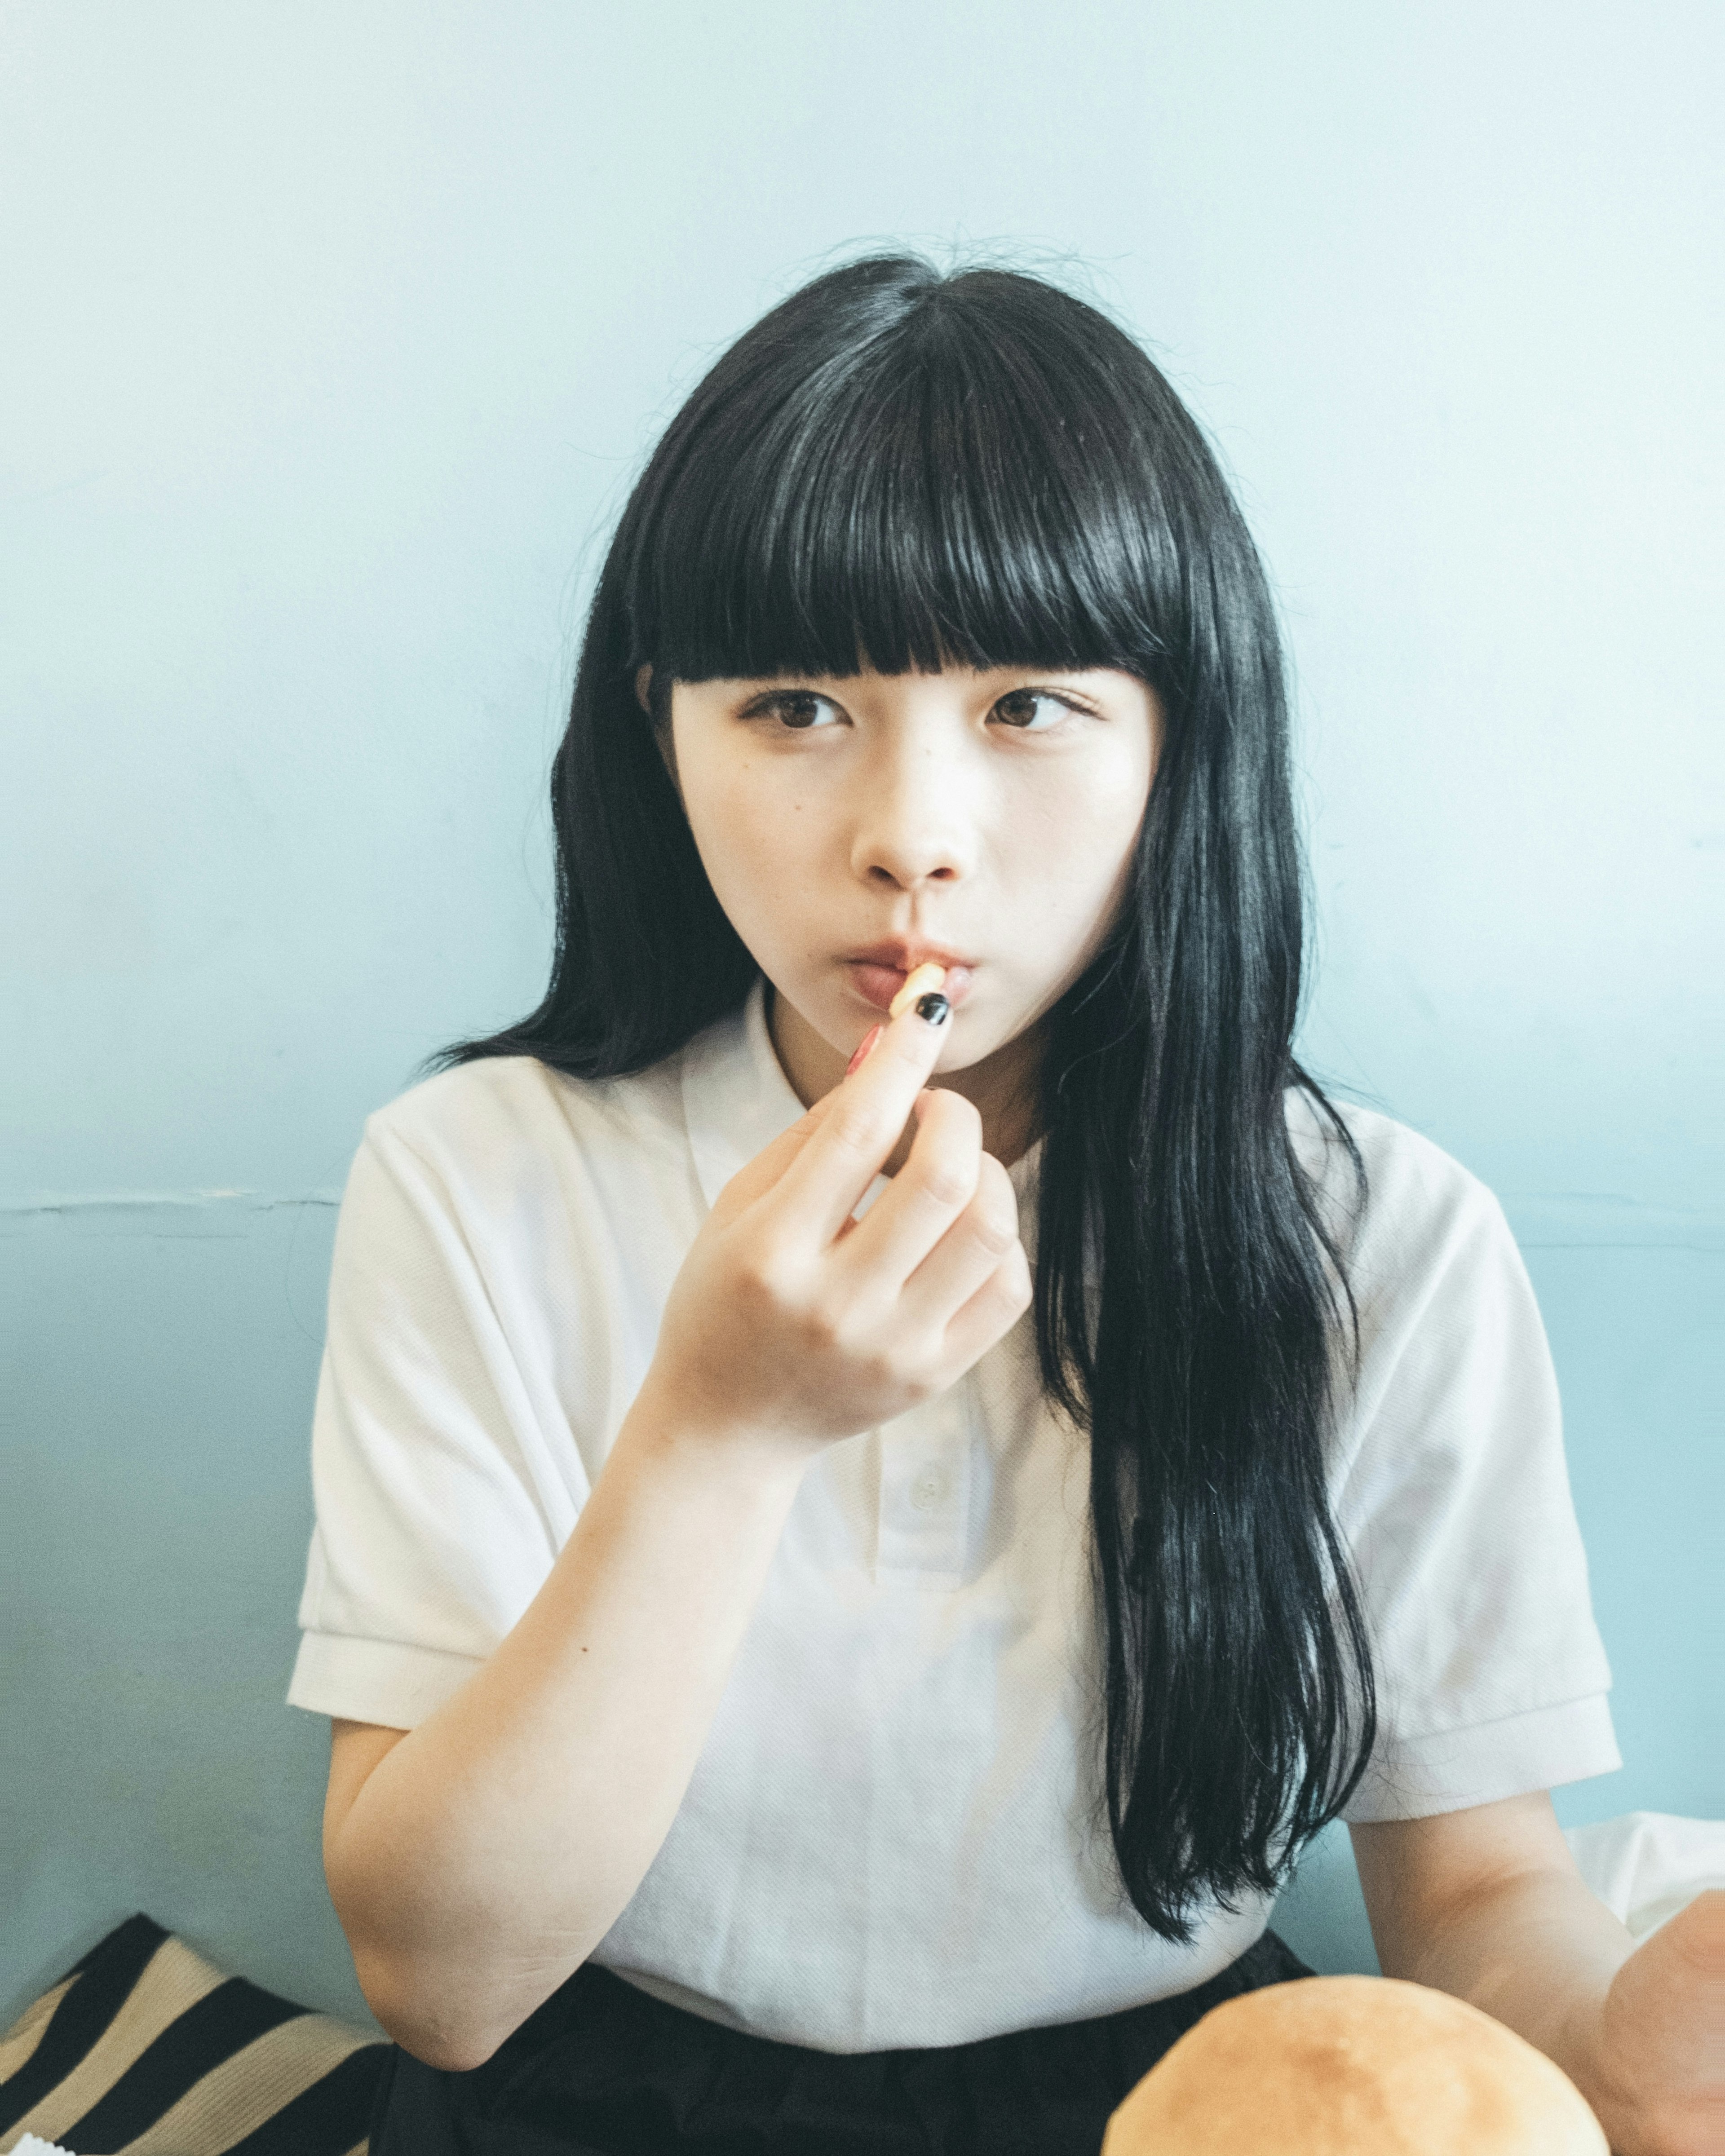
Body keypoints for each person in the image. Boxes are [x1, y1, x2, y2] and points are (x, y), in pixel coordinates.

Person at [288, 256, 1721, 2156]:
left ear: (1178, 745)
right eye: (796, 705)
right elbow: (441, 1988)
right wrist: (719, 1433)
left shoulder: (1384, 1238)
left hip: (1180, 2093)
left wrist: (1627, 2053)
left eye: (1030, 704)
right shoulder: (481, 1174)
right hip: (592, 2083)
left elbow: (1468, 1902)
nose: (914, 835)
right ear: (664, 735)